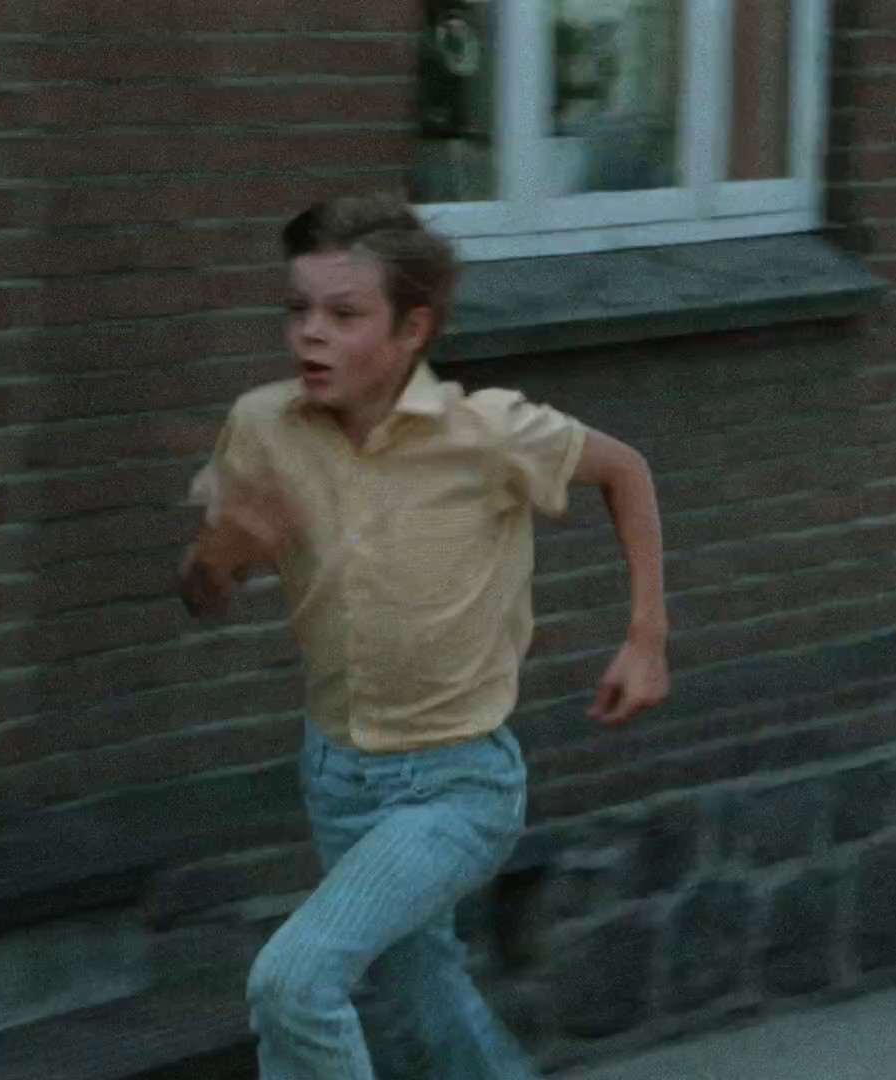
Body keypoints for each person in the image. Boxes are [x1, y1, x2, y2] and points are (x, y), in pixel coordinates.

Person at [179, 192, 669, 1080]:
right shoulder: (262, 429)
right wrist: (222, 556)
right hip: (337, 776)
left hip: (458, 783)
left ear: (412, 330)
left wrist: (646, 637)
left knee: (292, 984)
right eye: (298, 309)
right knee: (431, 997)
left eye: (344, 315)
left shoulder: (488, 434)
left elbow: (624, 470)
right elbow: (201, 591)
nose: (310, 334)